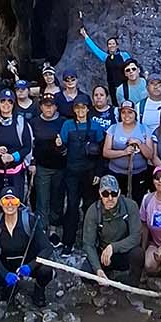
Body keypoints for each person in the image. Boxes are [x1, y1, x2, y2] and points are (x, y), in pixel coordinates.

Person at [0, 186, 46, 306]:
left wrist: (31, 266)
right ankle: (9, 287)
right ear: (0, 204)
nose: (10, 205)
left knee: (46, 270)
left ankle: (39, 290)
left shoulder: (30, 220)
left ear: (18, 203)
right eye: (6, 201)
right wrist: (5, 274)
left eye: (14, 201)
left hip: (28, 262)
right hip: (8, 263)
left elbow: (47, 248)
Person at [60, 96, 107, 248]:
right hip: (72, 173)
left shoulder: (96, 126)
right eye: (77, 107)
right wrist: (59, 146)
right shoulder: (67, 125)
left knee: (90, 207)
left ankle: (90, 242)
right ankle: (68, 242)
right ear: (74, 109)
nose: (80, 110)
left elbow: (101, 153)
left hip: (90, 173)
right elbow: (62, 150)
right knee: (72, 206)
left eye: (83, 107)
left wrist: (98, 173)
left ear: (88, 109)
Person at [82, 174, 145, 284]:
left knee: (138, 254)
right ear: (100, 194)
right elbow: (88, 244)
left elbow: (136, 237)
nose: (110, 198)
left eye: (114, 194)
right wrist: (98, 269)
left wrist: (113, 247)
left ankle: (132, 283)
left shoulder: (131, 206)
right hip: (104, 255)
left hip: (124, 251)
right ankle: (103, 281)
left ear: (119, 193)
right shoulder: (93, 211)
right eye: (105, 194)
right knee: (85, 272)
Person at [24, 91, 68, 244]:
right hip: (41, 167)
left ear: (56, 107)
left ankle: (54, 230)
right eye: (45, 106)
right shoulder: (34, 123)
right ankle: (42, 230)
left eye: (51, 106)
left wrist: (61, 146)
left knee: (57, 199)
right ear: (41, 107)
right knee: (42, 200)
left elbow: (67, 145)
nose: (49, 109)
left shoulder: (63, 122)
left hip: (60, 167)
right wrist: (32, 163)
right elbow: (30, 145)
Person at [0, 87, 33, 200]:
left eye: (10, 101)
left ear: (14, 104)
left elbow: (27, 147)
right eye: (3, 101)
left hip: (15, 173)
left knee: (16, 202)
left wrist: (12, 157)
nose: (6, 104)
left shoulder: (21, 123)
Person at [103, 100, 154, 202]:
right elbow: (106, 152)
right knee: (116, 200)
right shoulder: (113, 128)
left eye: (130, 112)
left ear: (135, 114)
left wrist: (139, 143)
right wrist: (124, 152)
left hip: (139, 174)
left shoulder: (144, 129)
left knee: (137, 201)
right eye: (123, 112)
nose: (126, 115)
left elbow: (150, 155)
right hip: (116, 173)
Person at [78, 26, 133, 103]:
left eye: (113, 43)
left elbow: (132, 67)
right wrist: (85, 36)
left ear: (117, 45)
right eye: (109, 44)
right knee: (115, 104)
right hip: (112, 86)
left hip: (125, 85)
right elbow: (95, 49)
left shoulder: (124, 55)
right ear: (107, 46)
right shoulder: (105, 57)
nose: (112, 45)